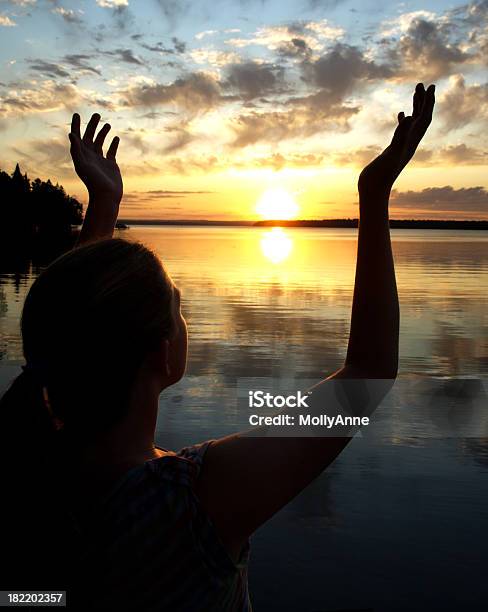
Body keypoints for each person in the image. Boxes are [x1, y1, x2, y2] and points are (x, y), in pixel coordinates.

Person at [0, 83, 435, 610]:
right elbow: (367, 376)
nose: (185, 318)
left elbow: (68, 329)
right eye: (178, 307)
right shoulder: (190, 502)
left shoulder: (30, 464)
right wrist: (375, 192)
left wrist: (104, 207)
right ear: (161, 355)